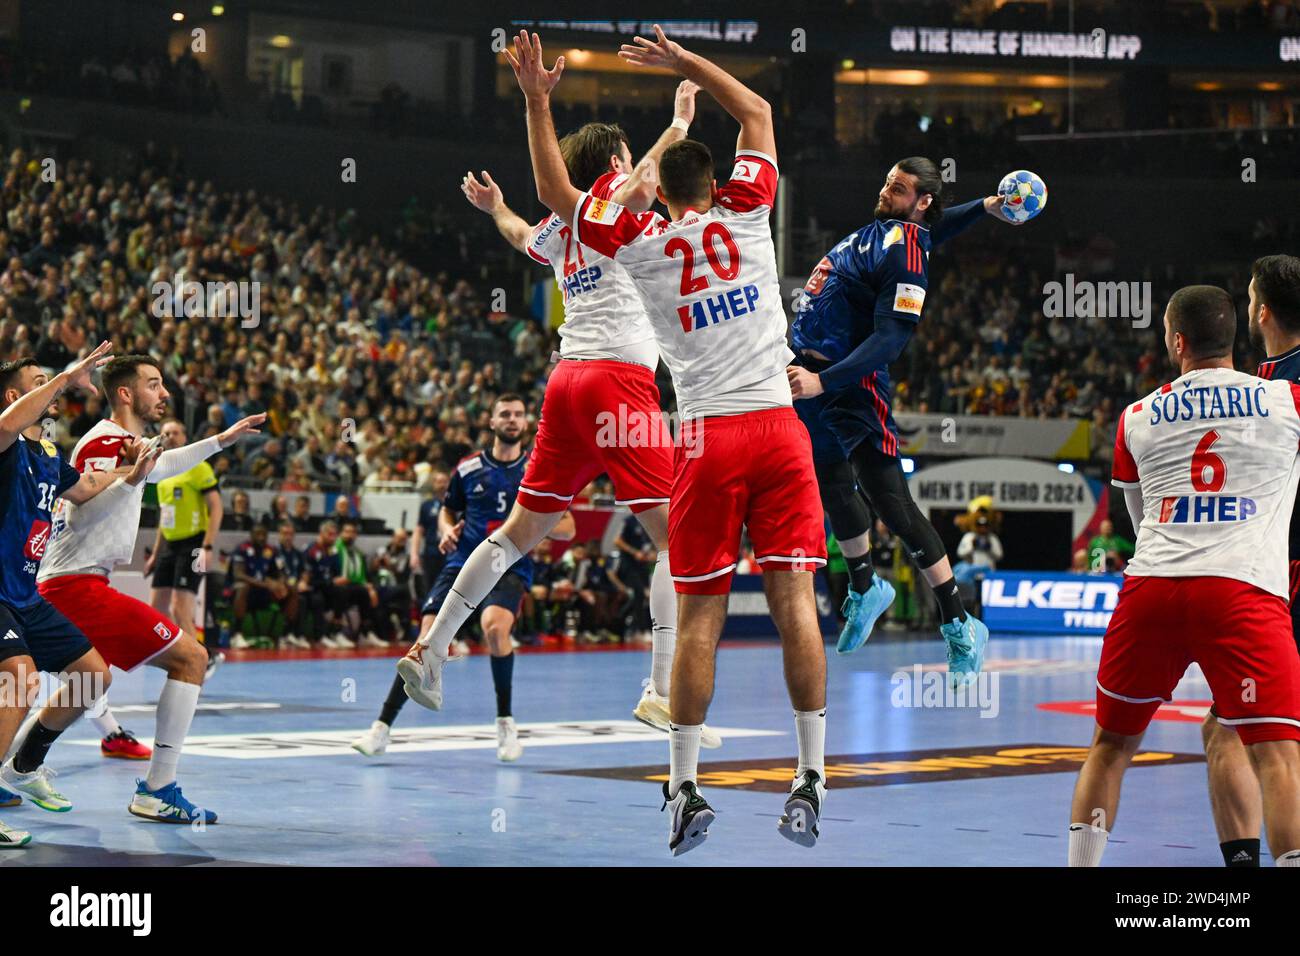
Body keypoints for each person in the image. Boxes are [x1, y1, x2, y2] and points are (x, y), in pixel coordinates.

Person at [509, 27, 830, 853]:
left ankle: (686, 788)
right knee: (796, 603)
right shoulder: (753, 213)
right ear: (720, 183)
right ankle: (810, 776)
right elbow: (755, 108)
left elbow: (552, 190)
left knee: (698, 617)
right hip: (777, 427)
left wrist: (539, 100)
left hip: (707, 437)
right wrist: (687, 65)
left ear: (659, 193)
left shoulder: (639, 242)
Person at [429, 77, 706, 741]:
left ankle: (431, 648)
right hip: (618, 381)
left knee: (515, 534)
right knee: (680, 538)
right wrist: (677, 122)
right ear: (610, 162)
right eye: (627, 153)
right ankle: (661, 690)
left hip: (565, 382)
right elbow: (644, 180)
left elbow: (517, 229)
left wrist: (492, 206)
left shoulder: (558, 228)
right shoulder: (610, 195)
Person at [1067, 285, 1300, 869]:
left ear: (1176, 342)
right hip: (1242, 591)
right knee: (1277, 757)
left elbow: (1141, 518)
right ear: (1237, 335)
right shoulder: (1286, 400)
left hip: (1154, 590)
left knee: (1111, 747)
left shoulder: (1135, 417)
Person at [785, 155, 1020, 664]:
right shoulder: (886, 232)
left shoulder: (909, 252)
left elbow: (891, 341)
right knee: (831, 483)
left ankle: (959, 622)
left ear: (924, 200)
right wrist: (986, 204)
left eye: (901, 187)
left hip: (848, 384)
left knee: (890, 501)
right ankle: (866, 588)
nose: (888, 188)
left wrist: (821, 380)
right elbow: (938, 226)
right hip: (811, 382)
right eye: (889, 180)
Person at [28, 355, 262, 823]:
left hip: (75, 582)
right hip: (75, 585)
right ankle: (157, 789)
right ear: (126, 394)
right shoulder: (106, 441)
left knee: (89, 682)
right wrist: (132, 478)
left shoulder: (121, 444)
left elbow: (159, 466)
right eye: (154, 385)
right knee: (191, 658)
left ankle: (18, 766)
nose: (165, 393)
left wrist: (220, 440)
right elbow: (84, 506)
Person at [355, 394, 574, 762]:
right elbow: (447, 510)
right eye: (504, 413)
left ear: (526, 423)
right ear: (491, 421)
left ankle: (505, 723)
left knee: (495, 629)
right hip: (462, 561)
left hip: (508, 563)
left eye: (518, 414)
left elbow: (567, 526)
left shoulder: (538, 468)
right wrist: (444, 530)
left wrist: (529, 526)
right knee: (424, 639)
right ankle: (381, 728)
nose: (512, 419)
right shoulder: (469, 468)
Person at [0, 345, 146, 845]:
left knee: (92, 676)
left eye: (52, 381)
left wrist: (133, 471)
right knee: (19, 678)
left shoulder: (46, 455)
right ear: (17, 396)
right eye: (39, 381)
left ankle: (25, 766)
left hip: (25, 593)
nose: (54, 388)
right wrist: (65, 376)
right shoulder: (6, 442)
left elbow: (84, 487)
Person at [1203, 253, 1300, 866]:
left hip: (1281, 577)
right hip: (1275, 572)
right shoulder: (1268, 380)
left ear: (1260, 311)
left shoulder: (1278, 390)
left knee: (1236, 731)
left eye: (1247, 295)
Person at [145, 417, 225, 680]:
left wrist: (208, 546)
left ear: (185, 437)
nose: (170, 436)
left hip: (193, 544)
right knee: (156, 607)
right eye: (165, 432)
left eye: (175, 432)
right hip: (169, 545)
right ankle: (175, 655)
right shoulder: (160, 473)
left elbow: (216, 507)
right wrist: (156, 554)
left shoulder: (198, 467)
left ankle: (200, 661)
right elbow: (163, 517)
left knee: (181, 606)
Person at [272, 521, 310, 648]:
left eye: (290, 534)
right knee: (298, 598)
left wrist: (304, 581)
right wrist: (286, 584)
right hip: (278, 590)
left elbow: (305, 571)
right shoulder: (274, 552)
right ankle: (286, 634)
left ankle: (297, 635)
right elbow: (276, 573)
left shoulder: (298, 553)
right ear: (279, 534)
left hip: (295, 588)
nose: (288, 537)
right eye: (285, 533)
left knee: (311, 599)